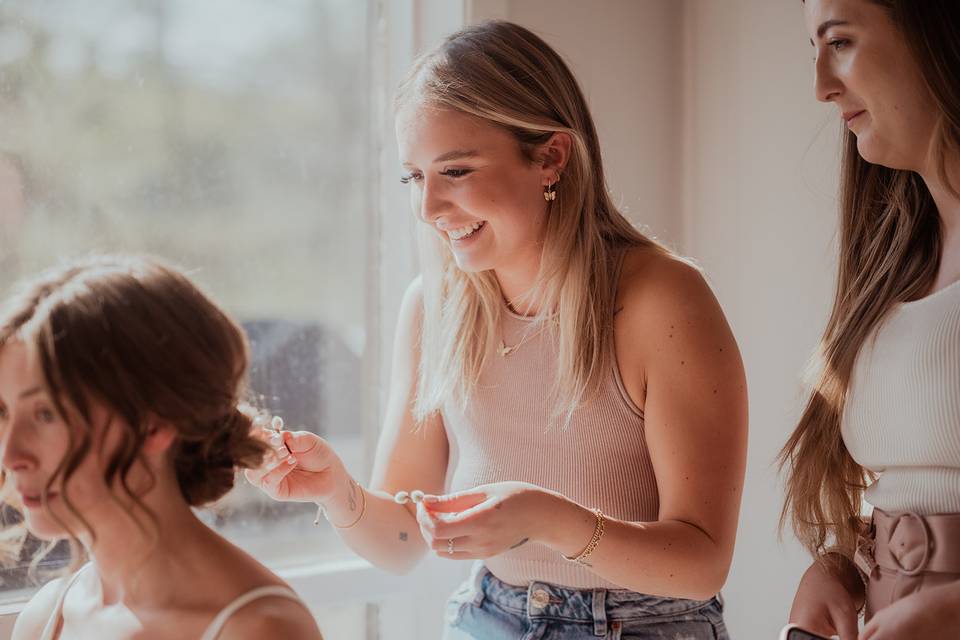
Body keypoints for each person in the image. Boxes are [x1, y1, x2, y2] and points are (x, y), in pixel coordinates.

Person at [249, 20, 747, 639]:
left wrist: (545, 517)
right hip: (489, 617)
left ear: (550, 157)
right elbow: (404, 539)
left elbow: (702, 565)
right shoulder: (432, 307)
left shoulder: (663, 300)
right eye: (413, 177)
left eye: (454, 172)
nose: (428, 209)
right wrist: (335, 491)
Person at [0, 254, 322, 639]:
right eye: (1, 412)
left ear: (154, 424)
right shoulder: (45, 618)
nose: (10, 455)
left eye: (46, 415)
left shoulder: (260, 629)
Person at [781, 2, 960, 639]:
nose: (822, 86)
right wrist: (846, 567)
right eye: (815, 51)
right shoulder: (893, 275)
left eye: (842, 42)